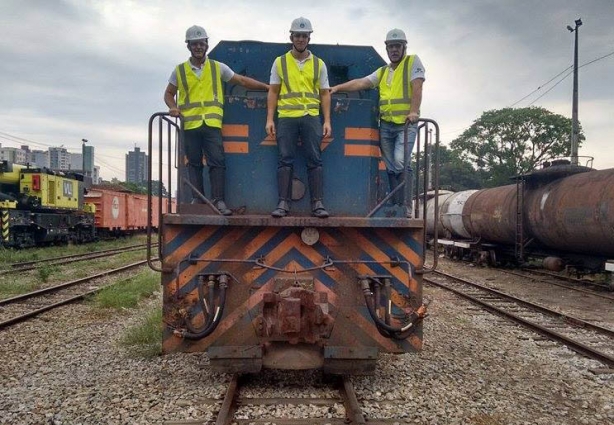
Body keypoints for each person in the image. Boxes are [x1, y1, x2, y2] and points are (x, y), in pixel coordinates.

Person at [164, 25, 269, 215]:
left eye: (201, 43)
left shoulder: (217, 67)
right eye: (194, 44)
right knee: (193, 162)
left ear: (206, 44)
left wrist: (268, 88)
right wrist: (172, 107)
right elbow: (169, 94)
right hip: (190, 124)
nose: (198, 47)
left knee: (217, 162)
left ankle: (218, 200)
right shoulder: (179, 71)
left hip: (211, 125)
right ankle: (198, 199)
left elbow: (242, 81)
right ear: (188, 46)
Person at [330, 28, 425, 217]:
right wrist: (337, 87)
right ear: (387, 49)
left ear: (404, 47)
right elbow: (361, 83)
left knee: (400, 161)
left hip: (405, 125)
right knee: (390, 165)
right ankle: (397, 204)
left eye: (397, 46)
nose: (394, 50)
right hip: (387, 125)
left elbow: (418, 85)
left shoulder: (412, 62)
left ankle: (405, 205)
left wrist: (414, 111)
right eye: (391, 47)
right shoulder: (383, 72)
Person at [265, 17, 332, 218]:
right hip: (286, 117)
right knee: (285, 159)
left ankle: (317, 204)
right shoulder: (280, 62)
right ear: (291, 37)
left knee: (315, 160)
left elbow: (324, 93)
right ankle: (283, 204)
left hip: (311, 116)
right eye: (297, 35)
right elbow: (273, 92)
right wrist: (270, 119)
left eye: (304, 35)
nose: (301, 39)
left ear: (309, 38)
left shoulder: (319, 64)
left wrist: (327, 120)